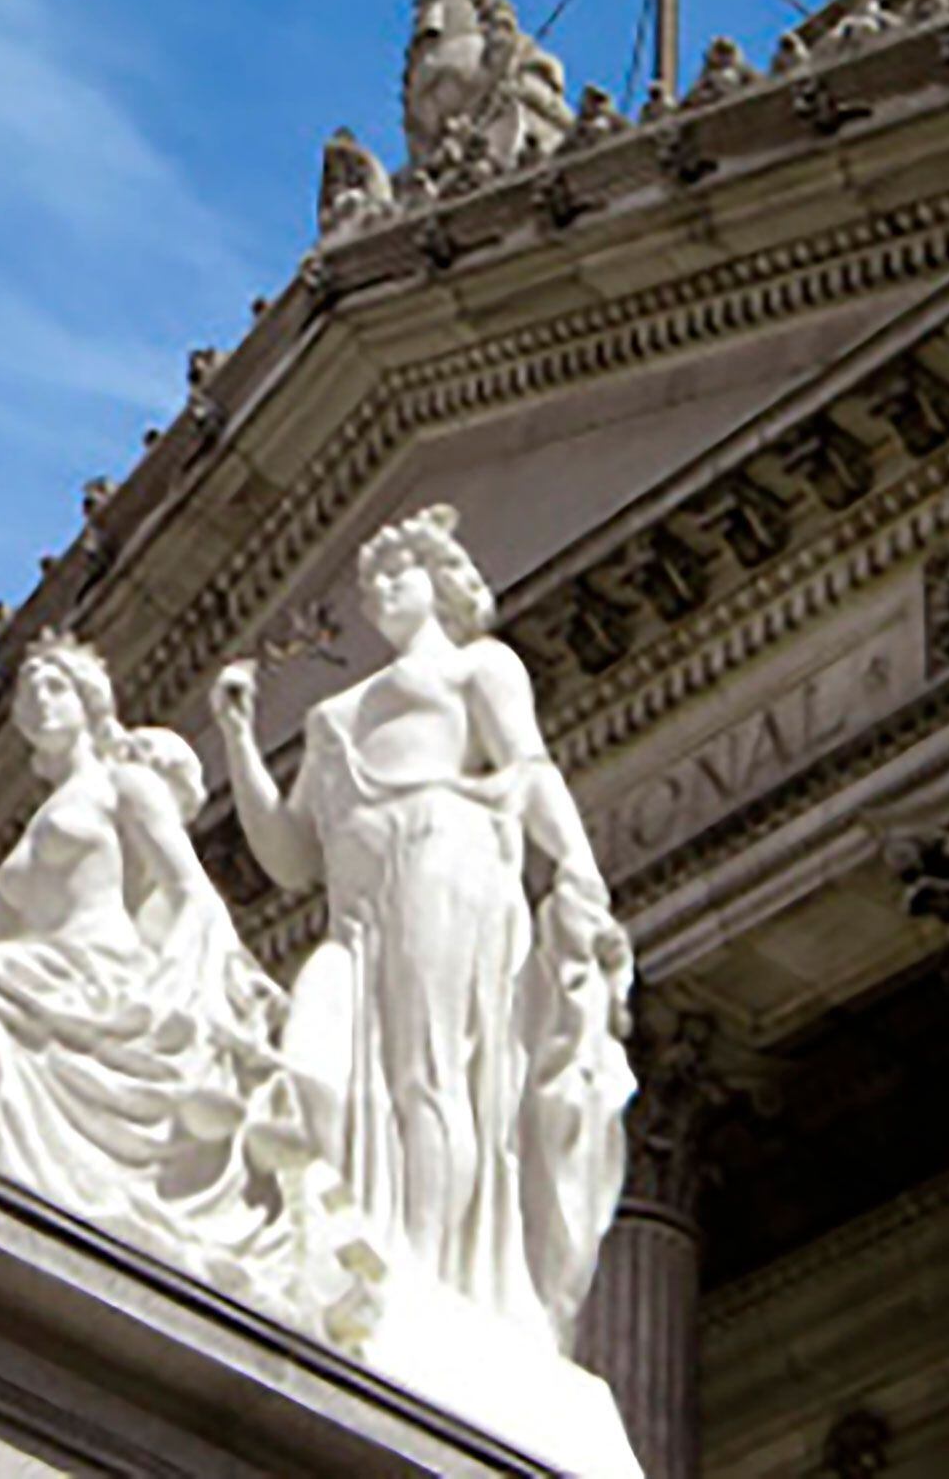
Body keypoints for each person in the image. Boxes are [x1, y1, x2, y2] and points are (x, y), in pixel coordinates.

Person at [0, 630, 365, 1333]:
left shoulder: (124, 784)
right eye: (29, 690)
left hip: (102, 972)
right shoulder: (33, 831)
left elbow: (189, 891)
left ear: (91, 702)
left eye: (55, 685)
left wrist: (186, 990)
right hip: (39, 972)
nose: (40, 699)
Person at [210, 503, 635, 1355]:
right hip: (355, 913)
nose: (377, 593)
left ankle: (427, 1280)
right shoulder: (335, 717)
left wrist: (580, 867)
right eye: (369, 582)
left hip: (447, 860)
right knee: (313, 1072)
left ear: (440, 581)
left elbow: (531, 768)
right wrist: (236, 738)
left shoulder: (480, 666)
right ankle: (353, 1250)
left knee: (433, 1079)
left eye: (396, 574)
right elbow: (291, 859)